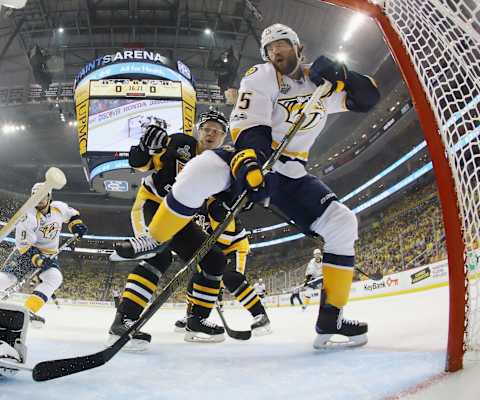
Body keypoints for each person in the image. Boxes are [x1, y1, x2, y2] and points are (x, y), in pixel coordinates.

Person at [117, 23, 379, 349]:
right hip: (253, 157)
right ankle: (153, 239)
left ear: (299, 47)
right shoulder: (261, 76)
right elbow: (251, 128)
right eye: (270, 49)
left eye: (282, 44)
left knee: (343, 223)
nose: (276, 52)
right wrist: (250, 163)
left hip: (292, 171)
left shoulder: (323, 85)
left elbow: (368, 97)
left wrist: (343, 75)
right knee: (201, 169)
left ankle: (331, 319)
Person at [110, 111, 230, 348]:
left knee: (215, 260)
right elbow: (139, 163)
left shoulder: (222, 164)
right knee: (158, 254)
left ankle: (197, 320)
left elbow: (216, 204)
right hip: (153, 205)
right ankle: (123, 321)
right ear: (198, 131)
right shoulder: (178, 142)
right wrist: (144, 146)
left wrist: (227, 204)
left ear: (224, 137)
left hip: (181, 219)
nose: (211, 134)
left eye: (217, 130)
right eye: (207, 128)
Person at [174, 197, 271, 336]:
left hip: (233, 247)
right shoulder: (189, 207)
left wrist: (205, 257)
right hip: (211, 252)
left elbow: (226, 239)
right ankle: (192, 316)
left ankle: (261, 315)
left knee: (230, 277)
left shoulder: (215, 205)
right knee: (195, 281)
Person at [0, 182, 87, 327]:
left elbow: (72, 216)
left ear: (49, 196)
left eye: (42, 196)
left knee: (54, 277)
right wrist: (37, 259)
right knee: (8, 280)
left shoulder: (59, 208)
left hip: (49, 255)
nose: (38, 200)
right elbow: (24, 245)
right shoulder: (28, 216)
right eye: (35, 196)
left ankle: (28, 311)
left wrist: (76, 226)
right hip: (26, 254)